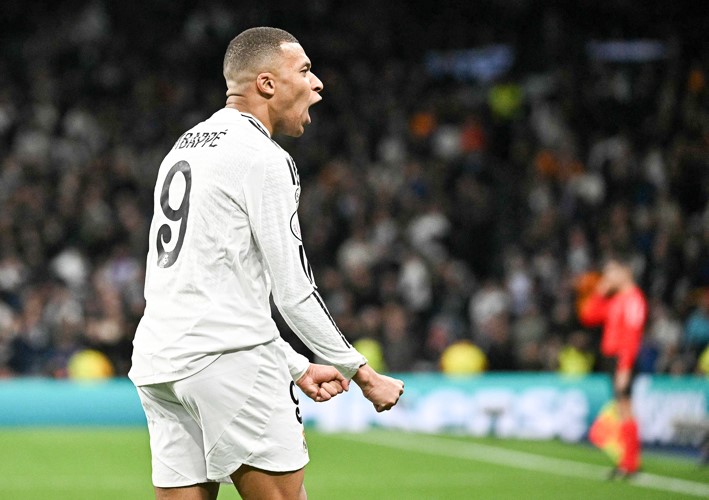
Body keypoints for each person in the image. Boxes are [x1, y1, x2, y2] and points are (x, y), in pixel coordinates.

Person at [128, 27, 404, 500]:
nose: (317, 84)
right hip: (228, 366)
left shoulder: (186, 146)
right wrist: (362, 372)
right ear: (267, 84)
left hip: (160, 363)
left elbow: (210, 289)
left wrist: (294, 364)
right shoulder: (262, 156)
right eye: (305, 70)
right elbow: (294, 291)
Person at [580, 254, 647, 477]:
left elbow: (632, 336)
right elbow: (588, 316)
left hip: (622, 359)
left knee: (625, 407)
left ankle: (631, 462)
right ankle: (627, 462)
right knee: (621, 408)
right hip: (612, 358)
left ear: (624, 271)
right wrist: (599, 292)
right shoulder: (615, 299)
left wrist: (625, 367)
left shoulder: (634, 299)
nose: (607, 276)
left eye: (611, 272)